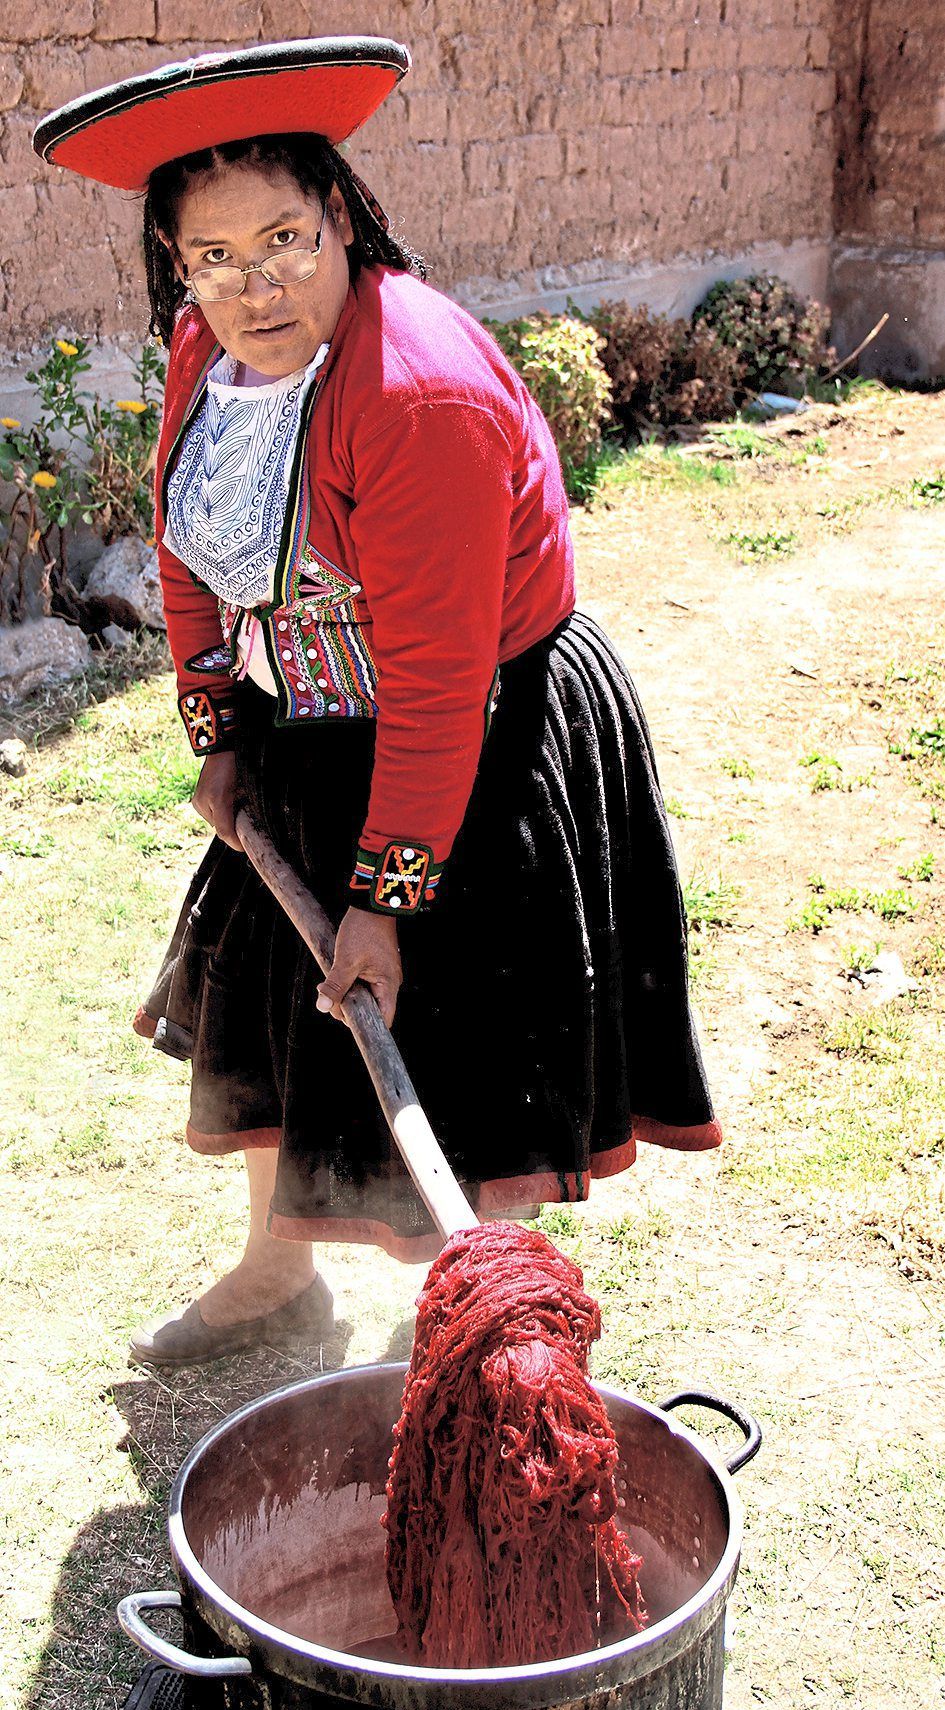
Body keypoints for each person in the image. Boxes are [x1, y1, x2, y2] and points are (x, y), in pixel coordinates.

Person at [34, 38, 721, 1366]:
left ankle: (454, 1338)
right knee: (284, 1005)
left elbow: (438, 677)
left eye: (285, 237)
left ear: (340, 215)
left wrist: (387, 896)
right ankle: (274, 1273)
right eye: (213, 255)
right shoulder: (205, 350)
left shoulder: (417, 395)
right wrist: (223, 734)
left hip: (473, 732)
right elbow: (189, 548)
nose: (254, 284)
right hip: (307, 716)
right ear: (177, 266)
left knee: (456, 1031)